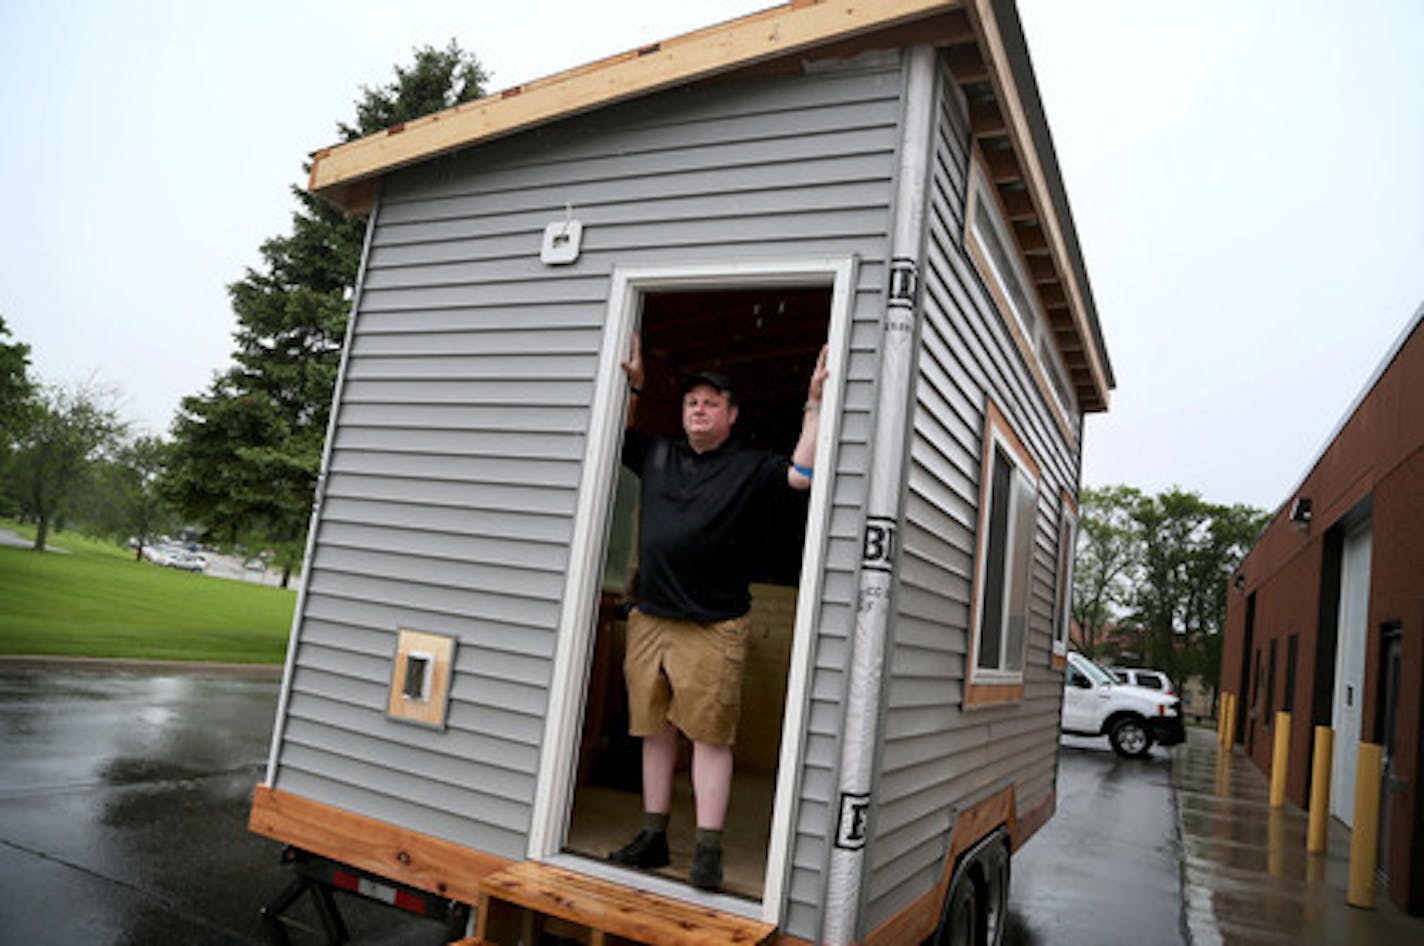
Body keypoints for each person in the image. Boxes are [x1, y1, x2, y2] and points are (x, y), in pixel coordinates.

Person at [608, 331, 828, 891]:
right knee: (654, 730)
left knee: (709, 736)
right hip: (651, 618)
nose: (698, 409)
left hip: (714, 625)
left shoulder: (749, 466)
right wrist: (633, 385)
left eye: (710, 403)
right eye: (691, 402)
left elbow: (801, 476)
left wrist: (815, 403)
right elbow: (610, 436)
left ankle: (707, 849)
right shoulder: (656, 453)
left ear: (731, 415)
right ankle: (654, 836)